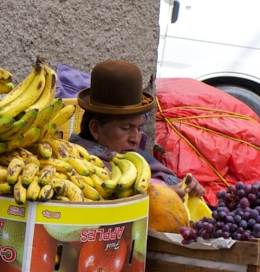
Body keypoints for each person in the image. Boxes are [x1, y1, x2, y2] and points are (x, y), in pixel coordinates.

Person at [71, 61, 205, 199]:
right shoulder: (76, 170)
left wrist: (189, 189)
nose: (135, 138)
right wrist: (157, 198)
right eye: (126, 128)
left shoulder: (145, 164)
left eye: (139, 128)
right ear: (95, 128)